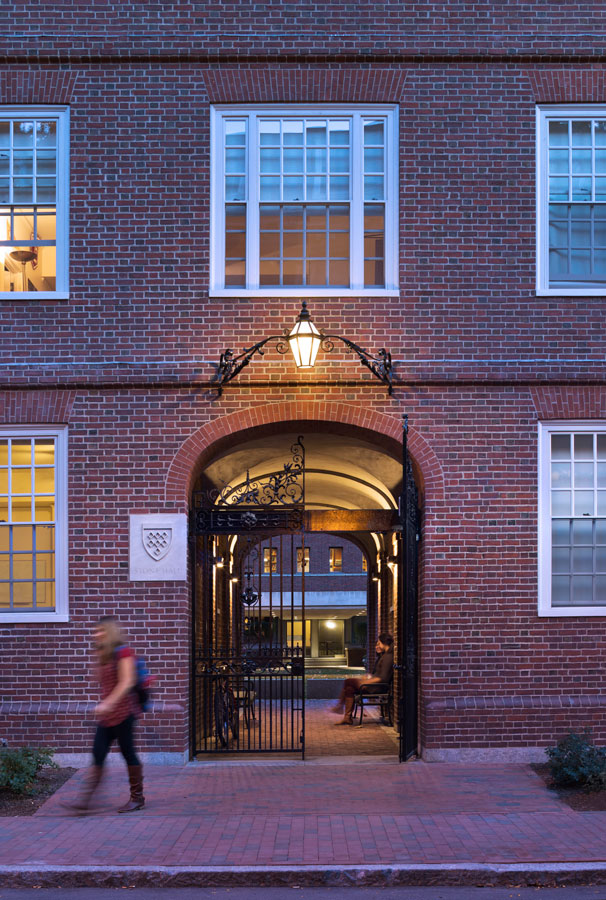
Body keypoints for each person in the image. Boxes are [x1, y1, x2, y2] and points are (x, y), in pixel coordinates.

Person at [63, 616, 145, 814]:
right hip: (107, 716)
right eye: (95, 631)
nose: (96, 634)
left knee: (128, 753)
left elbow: (126, 682)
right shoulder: (103, 654)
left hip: (124, 712)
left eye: (101, 631)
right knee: (98, 752)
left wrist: (108, 703)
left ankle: (137, 798)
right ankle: (84, 801)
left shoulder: (123, 652)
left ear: (111, 632)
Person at [331, 632, 394, 726]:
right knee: (349, 689)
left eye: (379, 643)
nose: (378, 645)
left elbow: (383, 678)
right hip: (372, 684)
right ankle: (347, 718)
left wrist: (365, 682)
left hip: (376, 687)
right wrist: (367, 678)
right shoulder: (384, 656)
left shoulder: (388, 657)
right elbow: (377, 675)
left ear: (384, 643)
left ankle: (339, 706)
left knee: (348, 681)